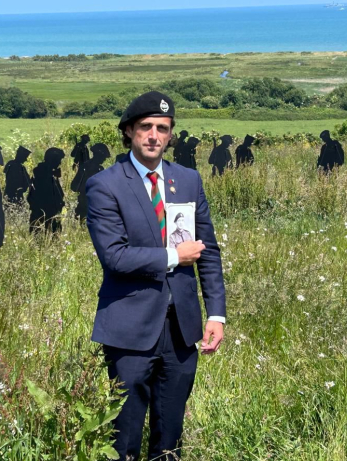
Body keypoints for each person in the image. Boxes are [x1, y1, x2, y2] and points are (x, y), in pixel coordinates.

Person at [86, 91, 226, 460]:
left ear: (170, 135)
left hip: (181, 330)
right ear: (129, 131)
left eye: (162, 129)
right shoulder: (106, 184)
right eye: (145, 127)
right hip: (129, 331)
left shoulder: (189, 180)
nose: (153, 136)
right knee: (125, 438)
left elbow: (207, 250)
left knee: (170, 437)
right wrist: (172, 255)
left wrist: (216, 313)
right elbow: (114, 257)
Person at [28, 147, 66, 234]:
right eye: (58, 160)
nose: (59, 163)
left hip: (53, 213)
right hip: (43, 213)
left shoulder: (50, 173)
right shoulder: (40, 171)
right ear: (52, 160)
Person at [71, 143, 111, 221]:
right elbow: (74, 186)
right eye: (103, 157)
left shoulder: (99, 169)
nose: (104, 159)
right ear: (98, 155)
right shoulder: (85, 168)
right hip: (86, 205)